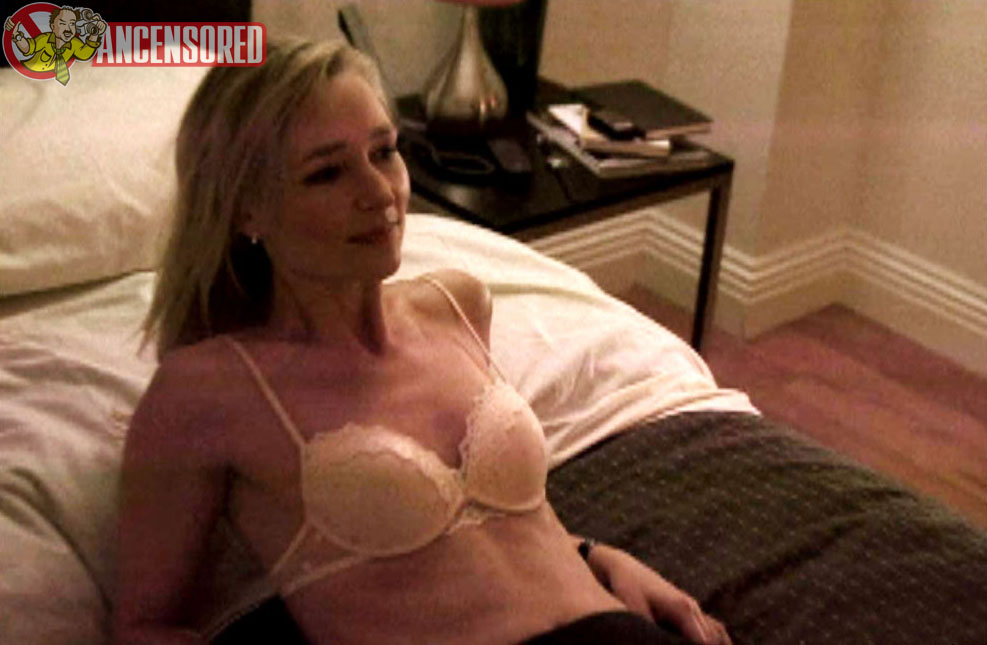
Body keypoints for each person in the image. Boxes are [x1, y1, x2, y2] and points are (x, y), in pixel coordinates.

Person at [113, 38, 732, 645]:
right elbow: (142, 626)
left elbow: (494, 525)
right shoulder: (209, 389)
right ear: (247, 211)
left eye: (384, 152)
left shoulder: (457, 305)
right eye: (327, 173)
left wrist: (598, 556)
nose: (379, 192)